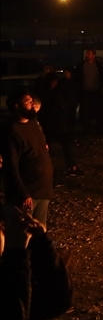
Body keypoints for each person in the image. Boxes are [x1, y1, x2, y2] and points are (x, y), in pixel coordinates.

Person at [1, 202, 74, 320]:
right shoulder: (10, 273)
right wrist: (16, 253)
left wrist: (41, 242)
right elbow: (12, 319)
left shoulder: (9, 273)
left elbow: (57, 300)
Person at [2, 91, 55, 228]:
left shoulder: (32, 123)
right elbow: (11, 166)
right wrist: (23, 193)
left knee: (40, 228)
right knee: (23, 230)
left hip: (43, 188)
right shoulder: (11, 130)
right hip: (27, 193)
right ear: (17, 106)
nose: (32, 103)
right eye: (27, 101)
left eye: (32, 100)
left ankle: (41, 249)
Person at [38, 72, 81, 175]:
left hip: (58, 123)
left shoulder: (58, 92)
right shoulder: (44, 93)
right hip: (49, 123)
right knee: (48, 146)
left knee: (66, 144)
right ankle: (46, 167)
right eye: (53, 81)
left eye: (56, 81)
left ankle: (72, 166)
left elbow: (63, 105)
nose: (55, 83)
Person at [72, 48, 103, 132]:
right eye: (86, 53)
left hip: (96, 92)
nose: (86, 55)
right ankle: (85, 128)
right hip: (84, 92)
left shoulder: (98, 66)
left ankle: (98, 128)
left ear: (94, 55)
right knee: (85, 111)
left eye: (88, 53)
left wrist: (102, 89)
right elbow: (77, 79)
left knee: (97, 110)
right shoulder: (81, 65)